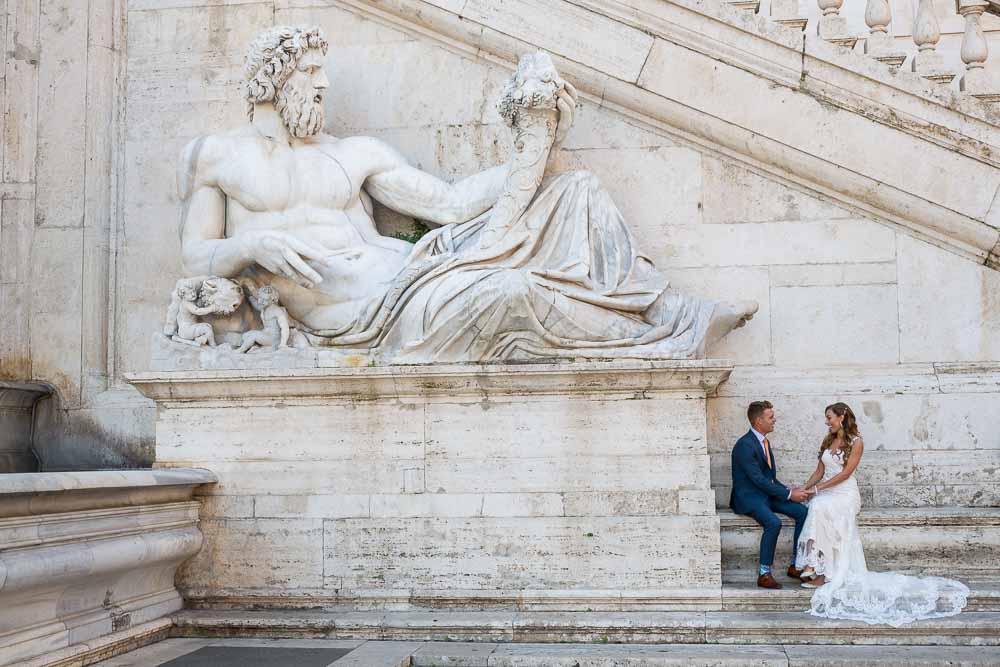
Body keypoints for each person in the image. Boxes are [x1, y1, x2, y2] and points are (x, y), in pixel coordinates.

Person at [175, 25, 758, 362]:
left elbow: (449, 205)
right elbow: (195, 257)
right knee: (513, 289)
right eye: (310, 71)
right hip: (365, 314)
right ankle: (651, 338)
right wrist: (252, 248)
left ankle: (664, 310)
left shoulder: (354, 153)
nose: (324, 83)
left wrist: (537, 141)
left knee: (575, 189)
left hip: (417, 273)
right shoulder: (219, 156)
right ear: (274, 78)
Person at [794, 402, 969, 625]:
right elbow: (820, 470)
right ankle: (819, 570)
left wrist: (817, 490)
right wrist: (805, 489)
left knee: (818, 505)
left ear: (841, 417)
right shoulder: (828, 440)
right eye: (826, 418)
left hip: (845, 494)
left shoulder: (856, 443)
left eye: (829, 417)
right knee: (816, 505)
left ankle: (817, 570)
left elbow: (846, 474)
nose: (826, 421)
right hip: (828, 492)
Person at [730, 401, 812, 589]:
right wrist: (789, 494)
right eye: (770, 417)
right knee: (774, 522)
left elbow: (770, 478)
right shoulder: (745, 445)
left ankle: (796, 565)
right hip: (749, 497)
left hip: (766, 494)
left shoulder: (765, 442)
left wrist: (792, 492)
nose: (774, 420)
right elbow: (758, 480)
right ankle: (764, 573)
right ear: (759, 421)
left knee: (802, 512)